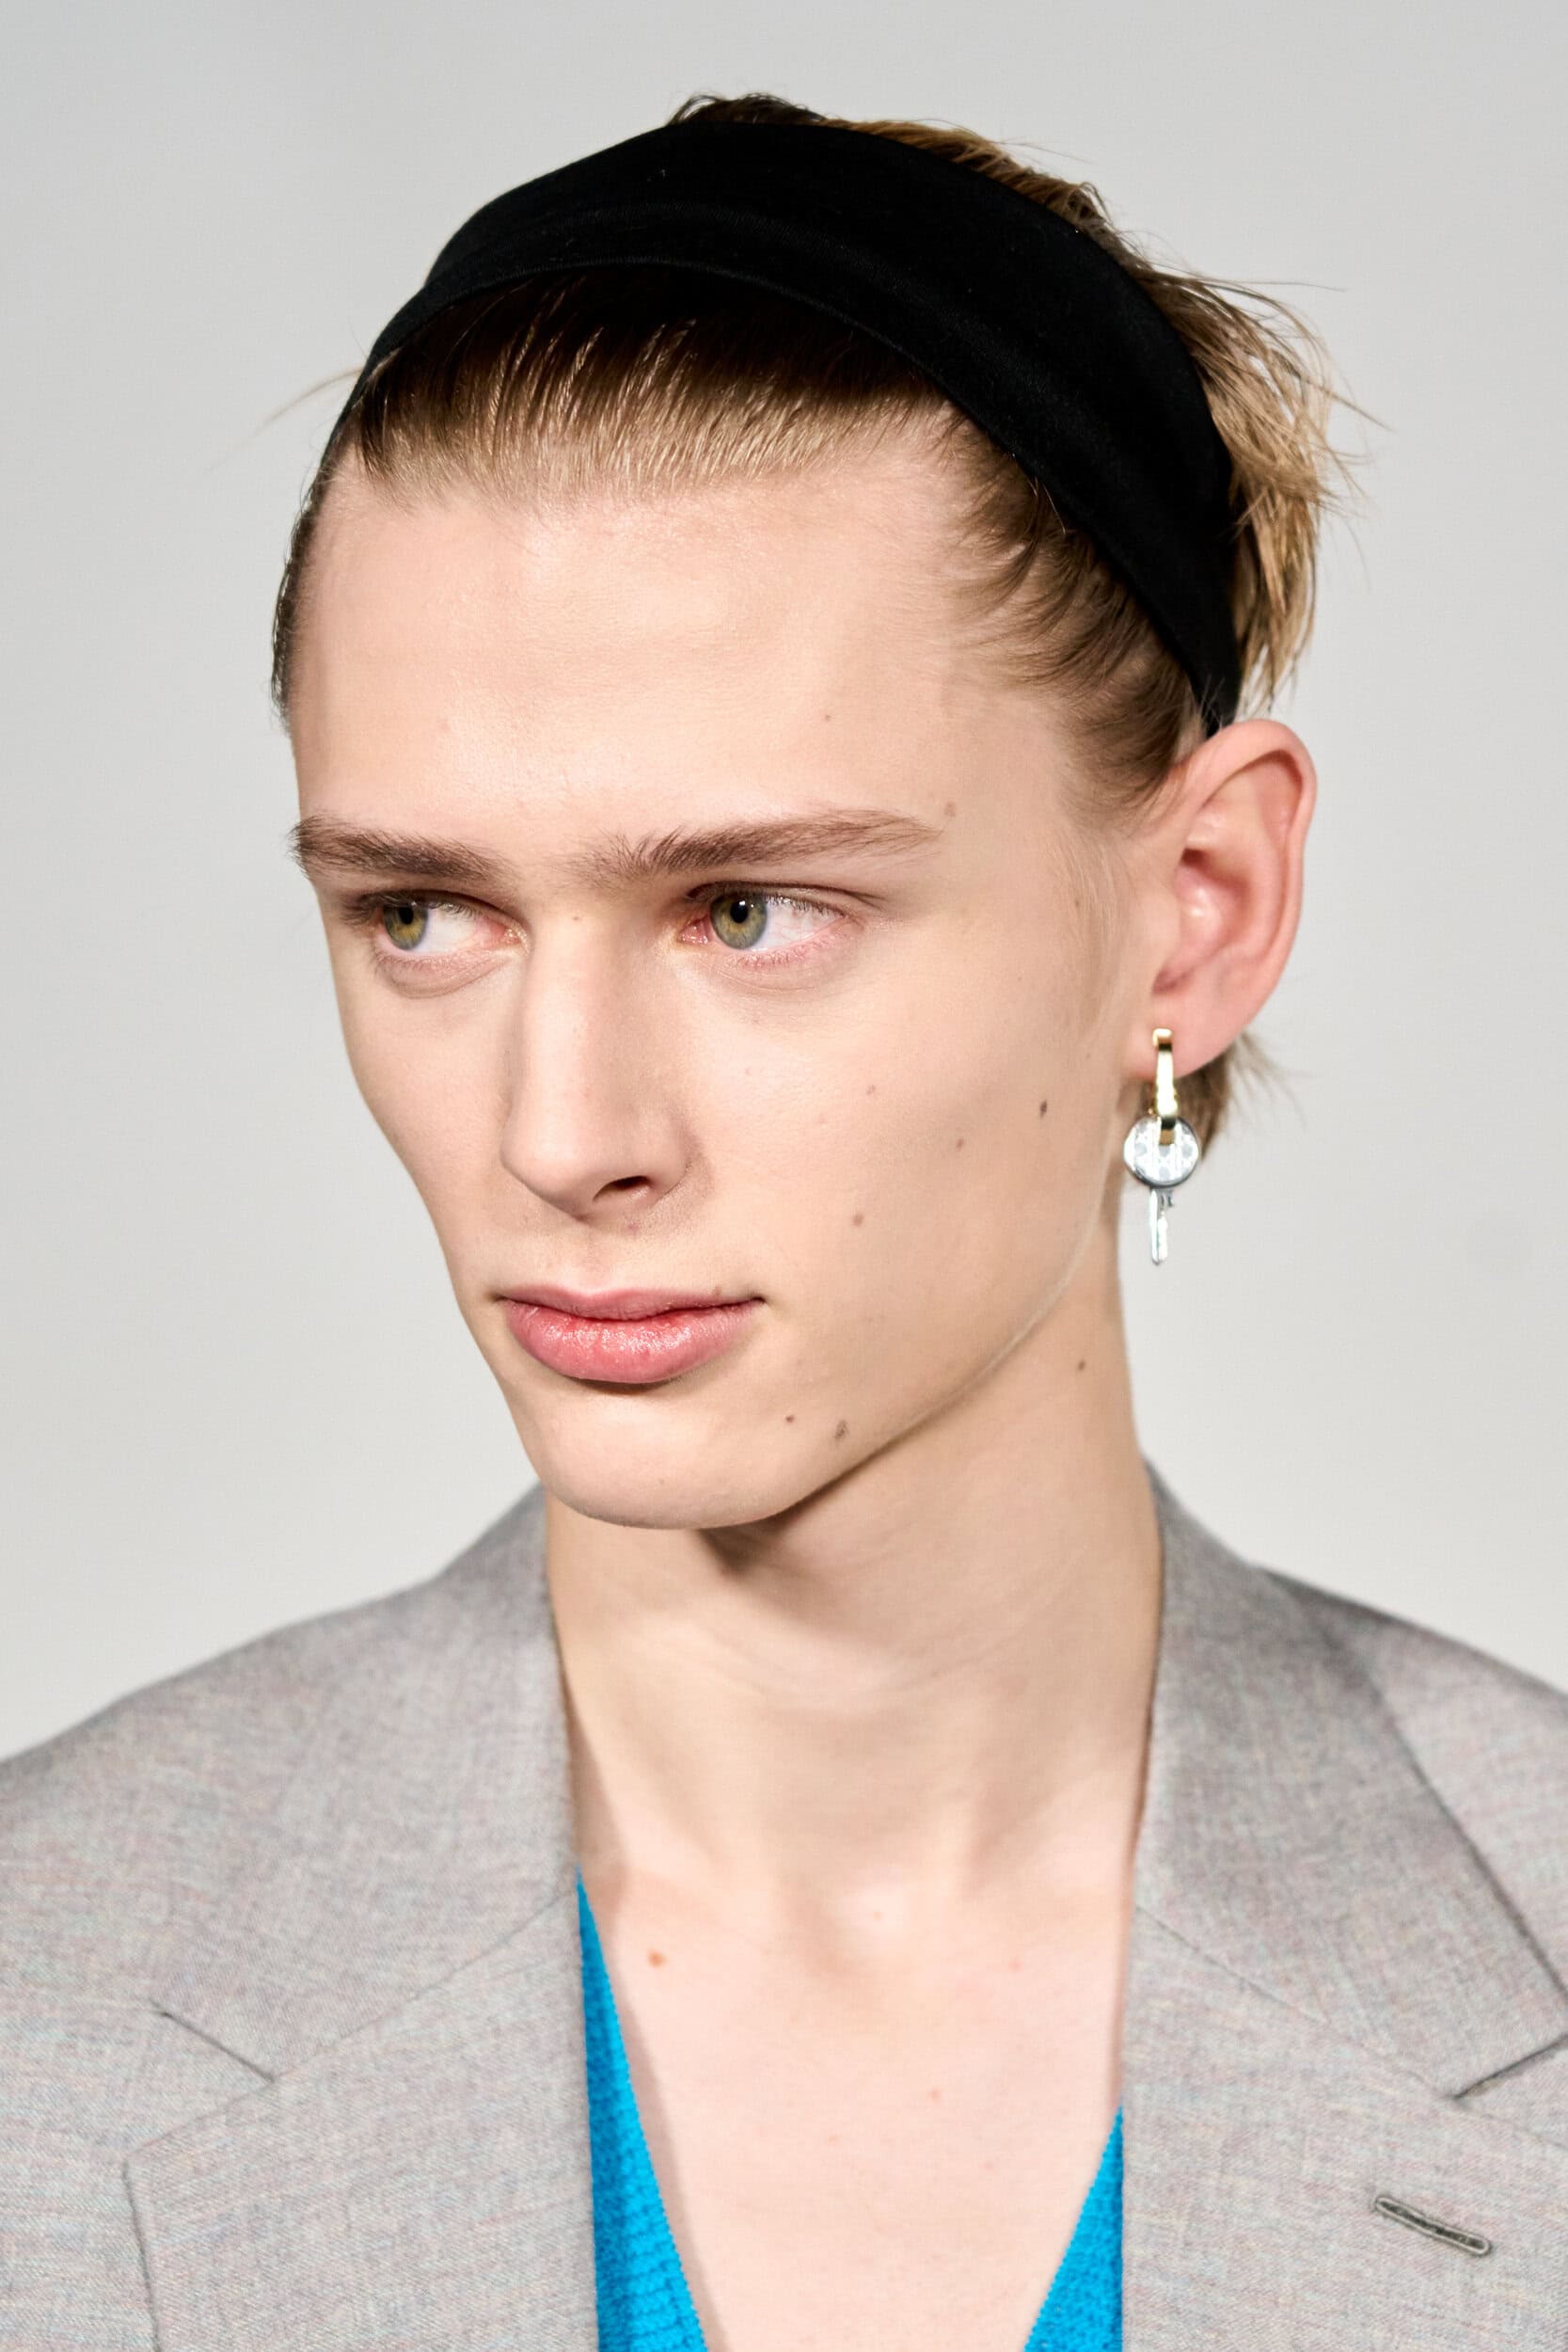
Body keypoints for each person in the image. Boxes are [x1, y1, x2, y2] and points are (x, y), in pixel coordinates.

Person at [5, 89, 1567, 2352]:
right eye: (423, 910)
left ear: (1200, 911)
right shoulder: (44, 2003)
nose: (563, 1131)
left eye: (749, 906)